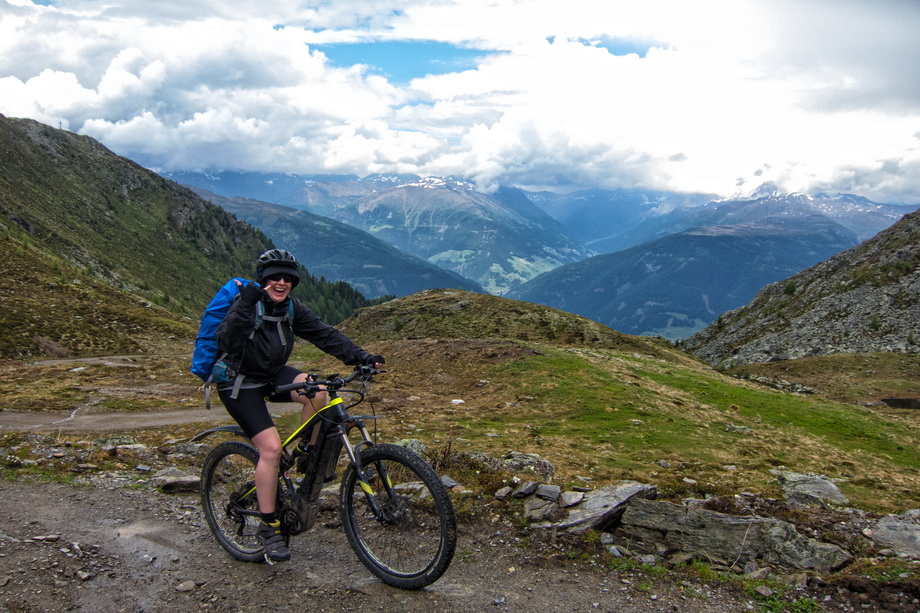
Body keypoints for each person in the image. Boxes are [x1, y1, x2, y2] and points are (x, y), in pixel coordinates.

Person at [214, 248, 384, 563]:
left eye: (288, 278)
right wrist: (247, 303)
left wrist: (363, 357)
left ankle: (306, 454)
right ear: (263, 279)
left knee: (319, 391)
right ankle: (269, 528)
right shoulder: (246, 304)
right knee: (270, 450)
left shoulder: (292, 309)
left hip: (270, 374)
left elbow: (325, 335)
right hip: (238, 381)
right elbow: (227, 342)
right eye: (274, 277)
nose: (281, 283)